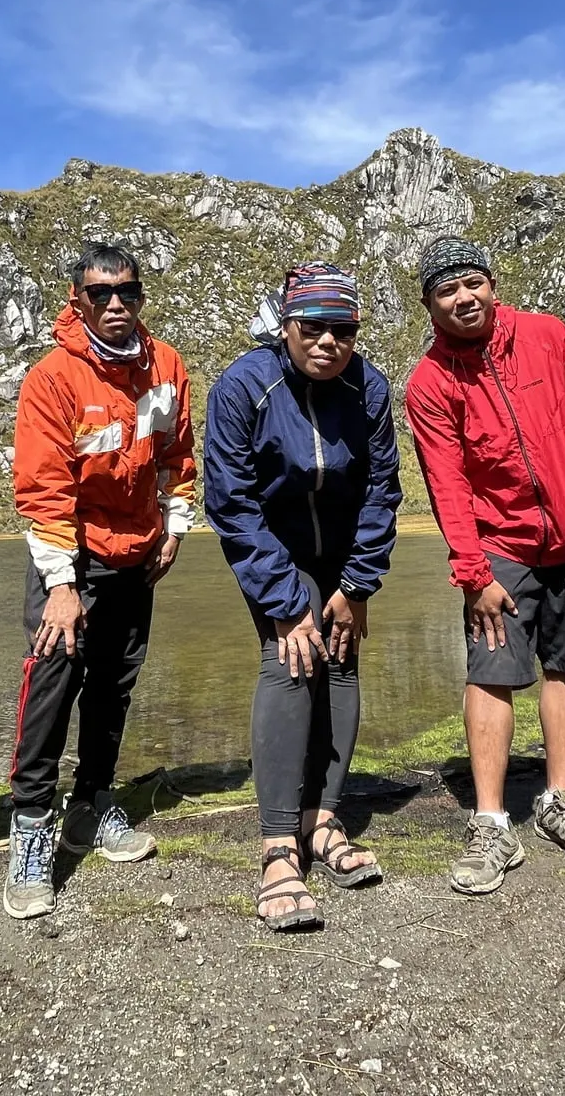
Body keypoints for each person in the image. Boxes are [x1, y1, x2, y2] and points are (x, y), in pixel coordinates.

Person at [402, 237, 565, 896]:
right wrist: (473, 571)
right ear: (430, 305)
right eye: (447, 290)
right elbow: (447, 483)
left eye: (471, 282)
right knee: (492, 671)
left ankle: (560, 799)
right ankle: (492, 820)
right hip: (499, 548)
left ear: (492, 285)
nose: (463, 297)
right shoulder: (430, 383)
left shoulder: (548, 337)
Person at [205, 264, 402, 931]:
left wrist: (357, 583)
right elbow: (230, 500)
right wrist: (286, 599)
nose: (327, 342)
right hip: (275, 549)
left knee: (341, 660)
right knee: (290, 659)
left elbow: (380, 490)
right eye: (311, 327)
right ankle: (277, 847)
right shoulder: (243, 385)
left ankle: (323, 818)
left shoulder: (368, 387)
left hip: (342, 551)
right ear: (285, 328)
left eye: (342, 329)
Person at [2, 242, 195, 918]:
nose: (116, 304)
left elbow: (176, 455)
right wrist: (59, 583)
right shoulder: (52, 378)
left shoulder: (166, 366)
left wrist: (174, 530)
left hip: (136, 555)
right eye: (100, 293)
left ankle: (92, 803)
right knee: (53, 683)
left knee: (114, 684)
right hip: (73, 559)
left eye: (128, 292)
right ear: (76, 299)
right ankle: (30, 827)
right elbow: (42, 488)